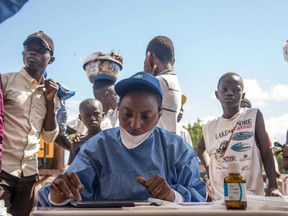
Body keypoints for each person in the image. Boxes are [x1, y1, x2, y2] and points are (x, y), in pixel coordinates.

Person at [37, 71, 206, 207]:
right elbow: (67, 192)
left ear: (159, 114)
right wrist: (58, 196)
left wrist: (172, 195)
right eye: (127, 114)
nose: (135, 124)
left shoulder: (177, 149)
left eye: (146, 116)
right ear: (118, 109)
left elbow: (199, 198)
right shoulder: (98, 146)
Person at [0, 31, 59, 216]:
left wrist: (50, 101)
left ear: (51, 59)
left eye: (40, 50)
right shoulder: (5, 81)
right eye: (28, 49)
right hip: (3, 169)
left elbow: (49, 137)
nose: (32, 53)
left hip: (29, 174)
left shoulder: (51, 93)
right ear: (23, 54)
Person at [197, 72, 282, 201]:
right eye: (224, 90)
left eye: (236, 90)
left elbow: (266, 150)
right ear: (217, 95)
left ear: (243, 95)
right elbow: (200, 148)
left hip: (251, 196)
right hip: (219, 196)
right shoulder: (210, 127)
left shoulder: (253, 116)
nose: (229, 93)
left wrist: (273, 186)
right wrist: (209, 168)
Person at [144, 35, 182, 134]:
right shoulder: (173, 81)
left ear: (149, 56)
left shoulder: (159, 82)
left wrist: (146, 79)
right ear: (173, 61)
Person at [68, 98, 103, 165]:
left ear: (102, 115)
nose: (92, 118)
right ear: (80, 118)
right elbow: (73, 170)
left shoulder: (110, 140)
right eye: (87, 115)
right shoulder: (77, 143)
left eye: (96, 114)